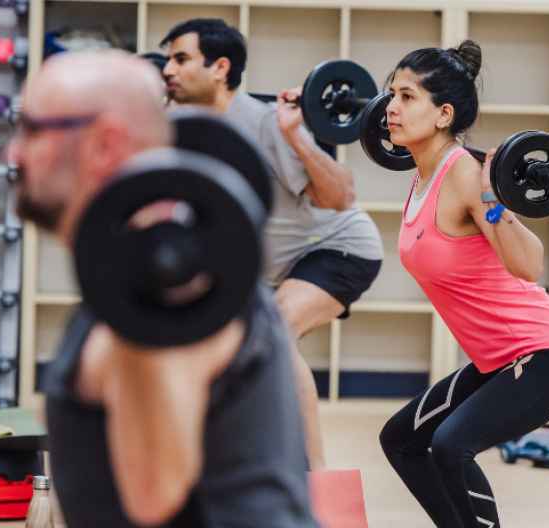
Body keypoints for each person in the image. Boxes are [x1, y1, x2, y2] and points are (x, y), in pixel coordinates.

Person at [10, 52, 318, 528]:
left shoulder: (173, 287)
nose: (14, 153)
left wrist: (149, 300)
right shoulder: (130, 273)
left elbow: (153, 497)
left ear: (104, 142)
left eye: (32, 129)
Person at [374, 40, 549, 528]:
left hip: (546, 354)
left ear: (443, 113)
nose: (390, 107)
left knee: (451, 446)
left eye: (407, 97)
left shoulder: (467, 176)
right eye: (392, 94)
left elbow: (530, 266)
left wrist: (495, 201)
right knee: (401, 441)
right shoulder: (422, 176)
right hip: (499, 360)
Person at [159, 18, 384, 472]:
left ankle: (315, 477)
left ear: (220, 67)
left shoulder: (263, 123)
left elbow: (340, 198)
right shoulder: (180, 127)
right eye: (167, 59)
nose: (167, 69)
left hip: (338, 248)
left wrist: (295, 136)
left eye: (180, 59)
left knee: (276, 333)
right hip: (268, 267)